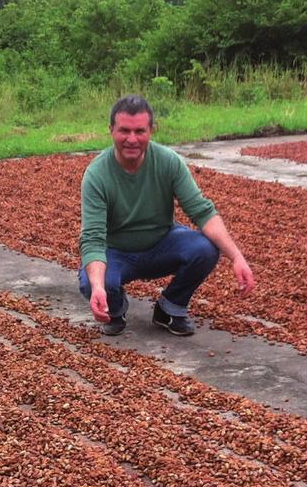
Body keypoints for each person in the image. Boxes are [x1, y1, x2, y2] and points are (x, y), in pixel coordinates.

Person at [78, 94, 256, 336]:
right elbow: (93, 239)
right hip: (116, 253)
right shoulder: (97, 175)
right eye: (124, 131)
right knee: (92, 282)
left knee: (204, 248)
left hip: (161, 244)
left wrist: (236, 257)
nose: (132, 139)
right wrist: (99, 287)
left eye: (140, 131)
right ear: (111, 130)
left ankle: (170, 308)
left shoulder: (168, 162)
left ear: (151, 130)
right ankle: (115, 307)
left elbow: (202, 211)